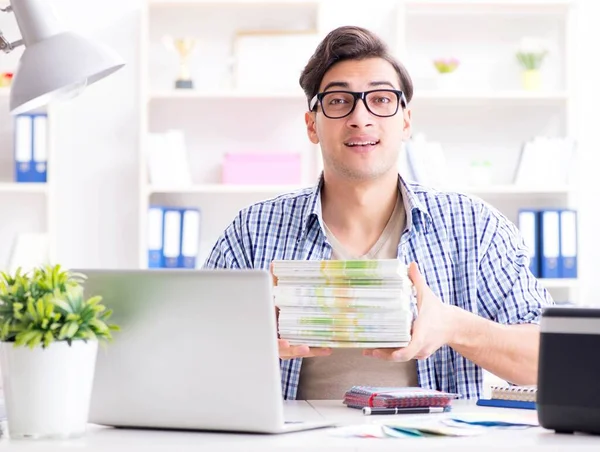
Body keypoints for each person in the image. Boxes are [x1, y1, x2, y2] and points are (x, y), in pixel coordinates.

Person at [203, 25, 553, 401]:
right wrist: (249, 339)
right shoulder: (253, 232)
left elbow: (551, 358)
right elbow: (192, 351)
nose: (361, 118)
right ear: (312, 125)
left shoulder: (473, 227)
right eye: (338, 101)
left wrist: (452, 326)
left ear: (405, 121)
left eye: (381, 99)